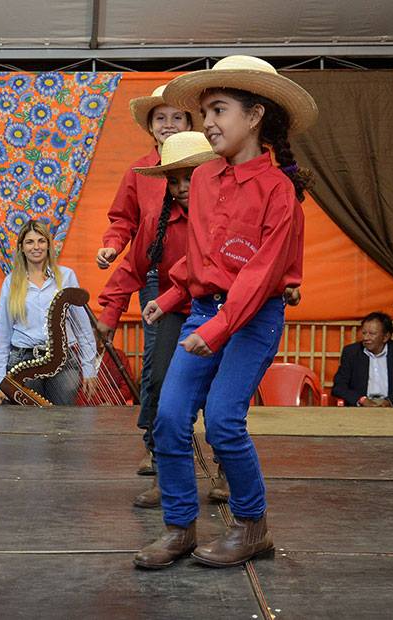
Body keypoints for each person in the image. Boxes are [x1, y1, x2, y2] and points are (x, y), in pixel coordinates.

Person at [134, 55, 318, 570]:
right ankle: (179, 528)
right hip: (204, 312)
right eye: (206, 112)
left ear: (255, 115)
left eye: (219, 110)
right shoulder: (207, 179)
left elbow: (260, 276)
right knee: (169, 419)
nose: (207, 122)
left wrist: (215, 329)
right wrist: (171, 297)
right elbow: (202, 257)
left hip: (253, 319)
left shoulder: (280, 191)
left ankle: (252, 526)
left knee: (222, 421)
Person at [97, 131, 219, 509]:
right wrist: (109, 313)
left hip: (222, 310)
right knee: (164, 385)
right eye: (174, 180)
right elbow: (133, 268)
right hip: (173, 309)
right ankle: (168, 479)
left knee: (219, 397)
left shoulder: (226, 216)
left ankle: (226, 469)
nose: (182, 188)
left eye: (190, 178)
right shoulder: (157, 220)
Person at [96, 85, 197, 472]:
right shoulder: (139, 171)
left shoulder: (211, 170)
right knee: (159, 361)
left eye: (177, 117)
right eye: (161, 118)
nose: (169, 124)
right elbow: (124, 222)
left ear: (190, 123)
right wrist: (111, 245)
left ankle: (215, 454)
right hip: (157, 274)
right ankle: (155, 442)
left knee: (209, 370)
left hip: (212, 286)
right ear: (150, 127)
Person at [0, 220, 98, 406]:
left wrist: (90, 370)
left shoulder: (66, 277)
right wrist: (1, 381)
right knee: (29, 427)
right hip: (23, 360)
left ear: (49, 245)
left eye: (41, 241)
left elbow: (83, 327)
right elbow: (2, 333)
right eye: (30, 242)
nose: (36, 247)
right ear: (21, 248)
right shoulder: (11, 283)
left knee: (63, 423)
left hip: (64, 361)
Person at [332, 312, 393, 407]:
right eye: (364, 333)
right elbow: (339, 387)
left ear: (385, 337)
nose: (366, 338)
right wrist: (362, 400)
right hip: (361, 407)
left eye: (372, 334)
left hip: (392, 407)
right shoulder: (351, 353)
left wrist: (390, 402)